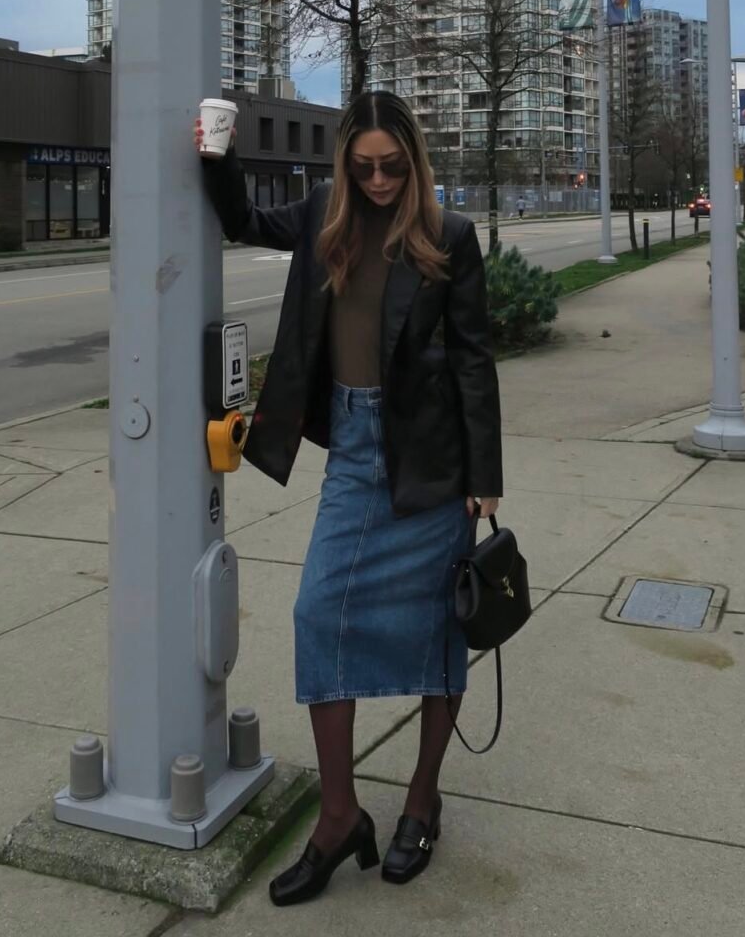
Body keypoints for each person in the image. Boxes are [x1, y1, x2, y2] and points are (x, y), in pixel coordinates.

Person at [195, 91, 502, 906]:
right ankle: (339, 817)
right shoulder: (322, 213)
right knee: (317, 613)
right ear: (343, 162)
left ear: (414, 161)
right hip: (354, 452)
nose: (376, 180)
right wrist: (216, 156)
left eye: (392, 167)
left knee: (440, 633)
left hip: (430, 460)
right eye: (362, 165)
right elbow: (241, 225)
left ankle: (421, 798)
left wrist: (484, 479)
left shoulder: (449, 236)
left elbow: (473, 359)